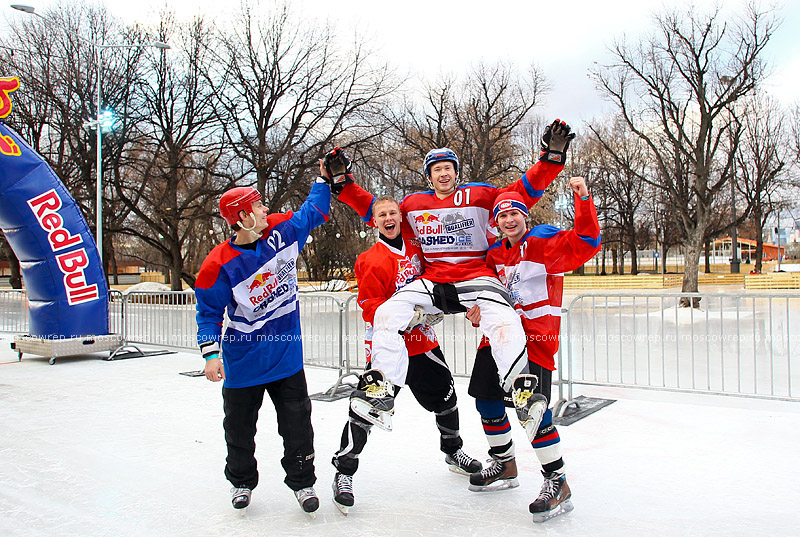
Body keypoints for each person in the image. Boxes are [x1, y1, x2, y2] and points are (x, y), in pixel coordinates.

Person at [332, 120, 575, 418]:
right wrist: (344, 183)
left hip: (476, 277)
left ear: (456, 172)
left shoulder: (480, 196)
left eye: (448, 167)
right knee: (387, 312)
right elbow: (379, 211)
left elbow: (521, 194)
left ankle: (521, 388)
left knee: (504, 318)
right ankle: (382, 385)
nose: (443, 173)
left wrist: (550, 158)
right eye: (437, 169)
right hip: (433, 281)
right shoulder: (413, 204)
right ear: (429, 176)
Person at [194, 163, 331, 516]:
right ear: (241, 217)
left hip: (286, 358)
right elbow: (208, 313)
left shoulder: (281, 233)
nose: (265, 210)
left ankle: (303, 483)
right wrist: (211, 355)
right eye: (257, 206)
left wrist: (322, 180)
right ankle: (241, 481)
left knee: (298, 427)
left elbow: (313, 212)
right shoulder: (217, 264)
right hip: (244, 362)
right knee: (239, 429)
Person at [330, 195, 482, 515]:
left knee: (447, 398)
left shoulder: (416, 248)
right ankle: (344, 471)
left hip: (423, 342)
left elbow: (438, 277)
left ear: (400, 217)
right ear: (374, 221)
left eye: (392, 212)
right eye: (381, 214)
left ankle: (453, 451)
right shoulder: (370, 260)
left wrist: (438, 307)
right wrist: (404, 316)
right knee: (368, 406)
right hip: (389, 348)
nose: (388, 217)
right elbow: (370, 307)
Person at [465, 176, 601, 523]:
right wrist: (477, 308)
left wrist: (583, 199)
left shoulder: (544, 241)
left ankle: (558, 481)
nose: (509, 221)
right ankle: (505, 463)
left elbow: (586, 241)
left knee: (532, 411)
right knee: (488, 401)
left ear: (526, 216)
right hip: (495, 340)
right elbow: (487, 292)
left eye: (514, 214)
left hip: (534, 342)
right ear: (495, 224)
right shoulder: (493, 255)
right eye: (502, 217)